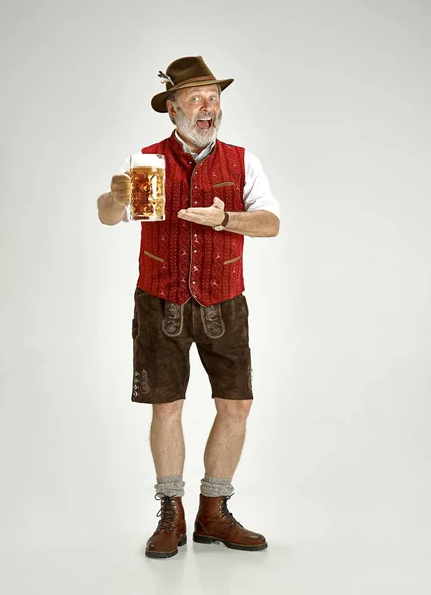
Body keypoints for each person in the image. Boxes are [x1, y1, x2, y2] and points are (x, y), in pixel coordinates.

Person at [97, 56, 280, 558]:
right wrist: (114, 198)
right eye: (197, 98)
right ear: (172, 107)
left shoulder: (244, 160)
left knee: (236, 405)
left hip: (225, 300)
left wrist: (228, 220)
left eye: (215, 97)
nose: (209, 107)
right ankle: (171, 513)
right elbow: (109, 216)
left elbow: (271, 224)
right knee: (167, 407)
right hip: (160, 300)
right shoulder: (148, 161)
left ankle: (213, 512)